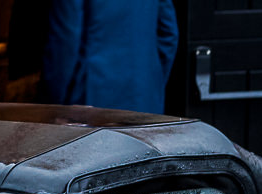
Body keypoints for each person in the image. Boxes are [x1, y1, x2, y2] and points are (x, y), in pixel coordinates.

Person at [41, 0, 179, 115]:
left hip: (92, 101)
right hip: (145, 99)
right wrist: (152, 83)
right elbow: (169, 34)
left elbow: (65, 42)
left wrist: (51, 106)